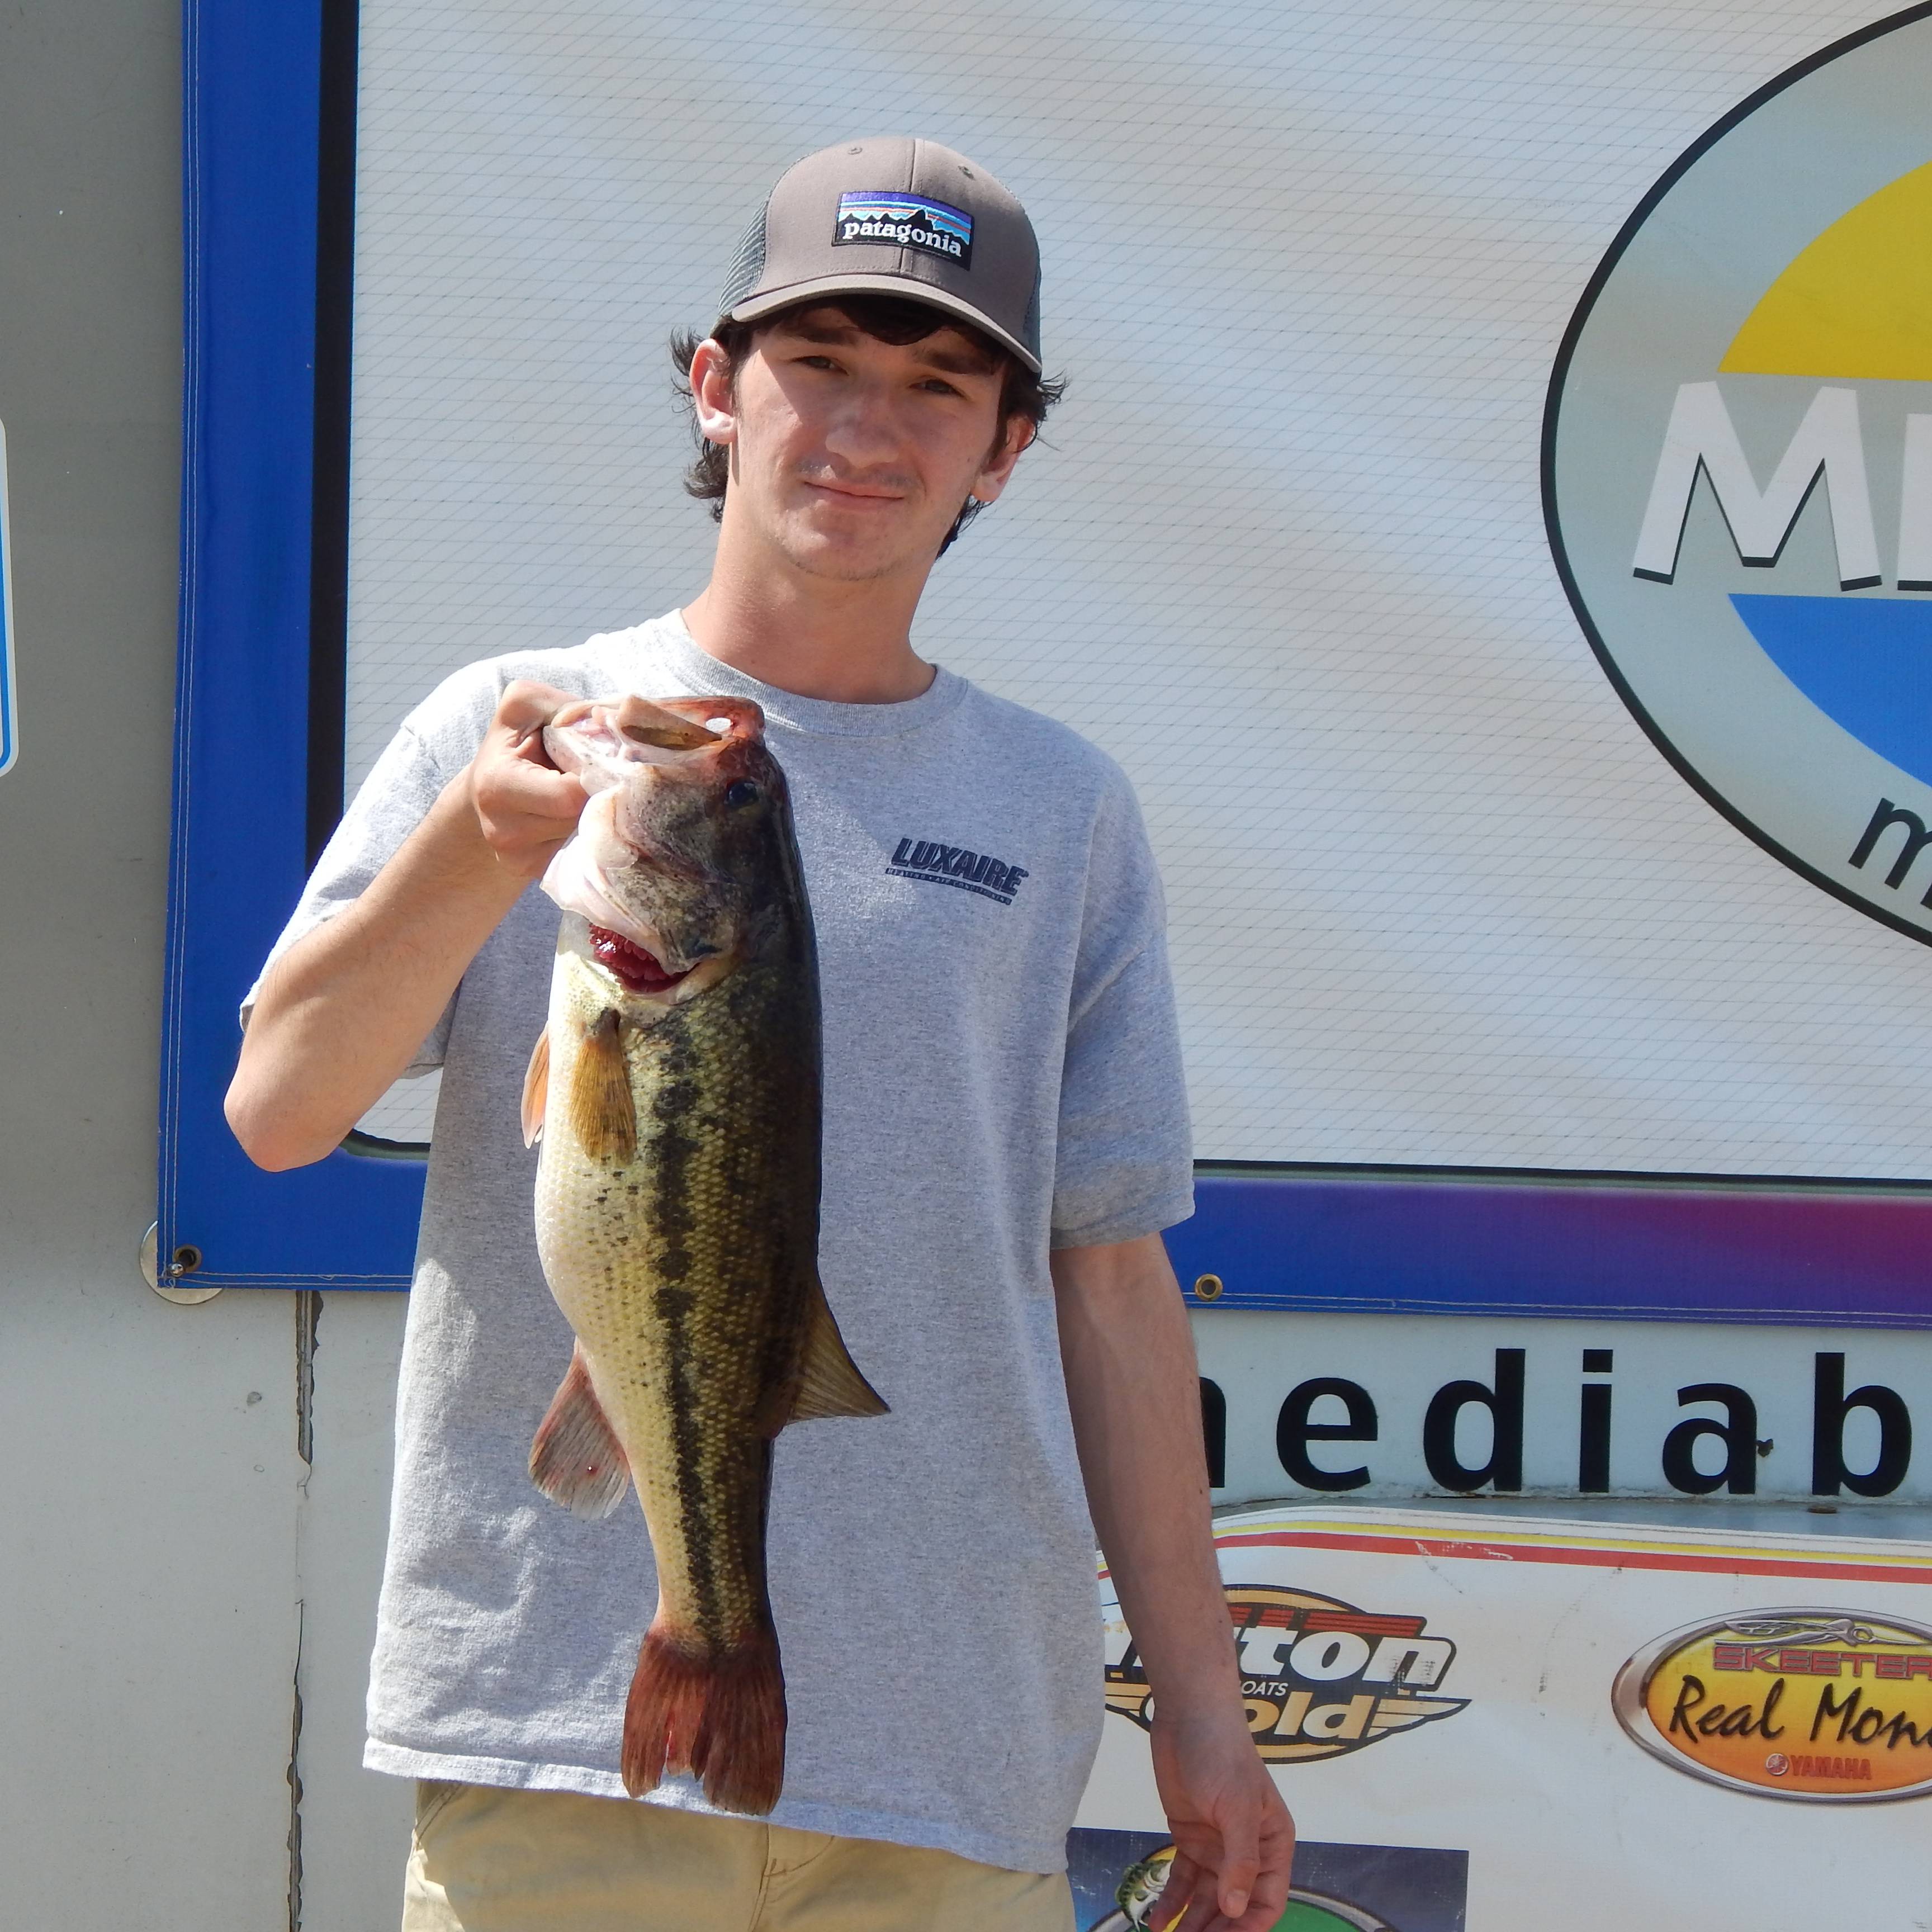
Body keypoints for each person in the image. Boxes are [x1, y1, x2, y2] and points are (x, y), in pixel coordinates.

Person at [227, 136, 1294, 1932]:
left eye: (937, 385)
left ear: (1006, 449)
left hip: (955, 1751)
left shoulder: (1064, 808)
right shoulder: (516, 728)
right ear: (717, 388)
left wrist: (1202, 1705)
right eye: (820, 363)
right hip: (563, 1735)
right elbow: (275, 1111)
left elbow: (1113, 1281)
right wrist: (476, 847)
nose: (867, 429)